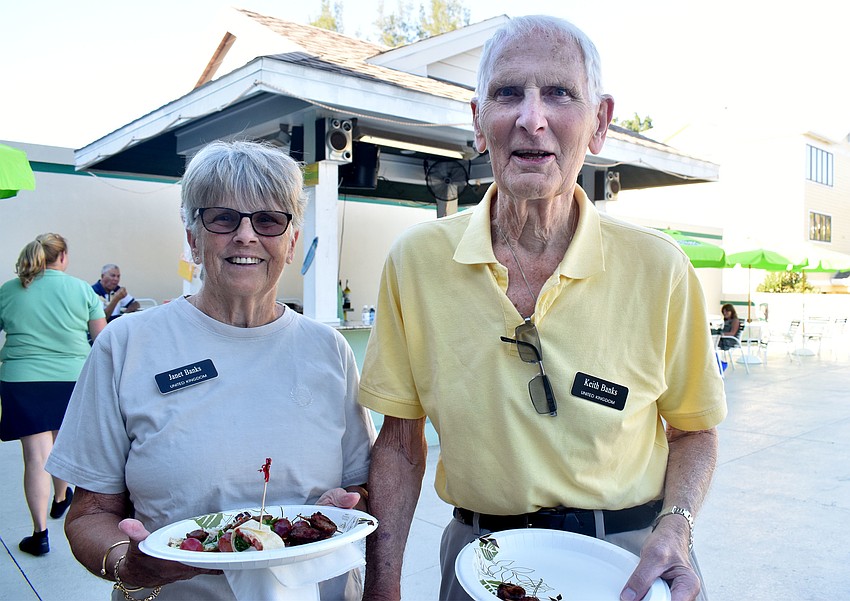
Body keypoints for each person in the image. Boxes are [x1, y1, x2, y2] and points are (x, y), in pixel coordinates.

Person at [359, 15, 727, 601]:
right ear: (478, 123)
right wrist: (384, 582)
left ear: (599, 122)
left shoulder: (660, 268)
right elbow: (400, 443)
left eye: (559, 92)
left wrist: (676, 527)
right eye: (508, 94)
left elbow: (694, 432)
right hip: (479, 565)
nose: (533, 118)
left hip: (628, 562)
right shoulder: (416, 261)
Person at [45, 141, 376, 600]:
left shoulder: (329, 350)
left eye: (268, 220)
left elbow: (361, 484)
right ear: (192, 237)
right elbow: (89, 514)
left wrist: (334, 513)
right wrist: (131, 562)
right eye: (223, 218)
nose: (246, 235)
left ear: (291, 241)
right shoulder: (125, 346)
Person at [0, 233, 106, 556]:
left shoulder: (9, 290)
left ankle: (40, 534)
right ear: (62, 257)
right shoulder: (82, 290)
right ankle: (61, 499)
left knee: (36, 456)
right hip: (71, 379)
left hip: (22, 380)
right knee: (61, 443)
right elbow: (101, 339)